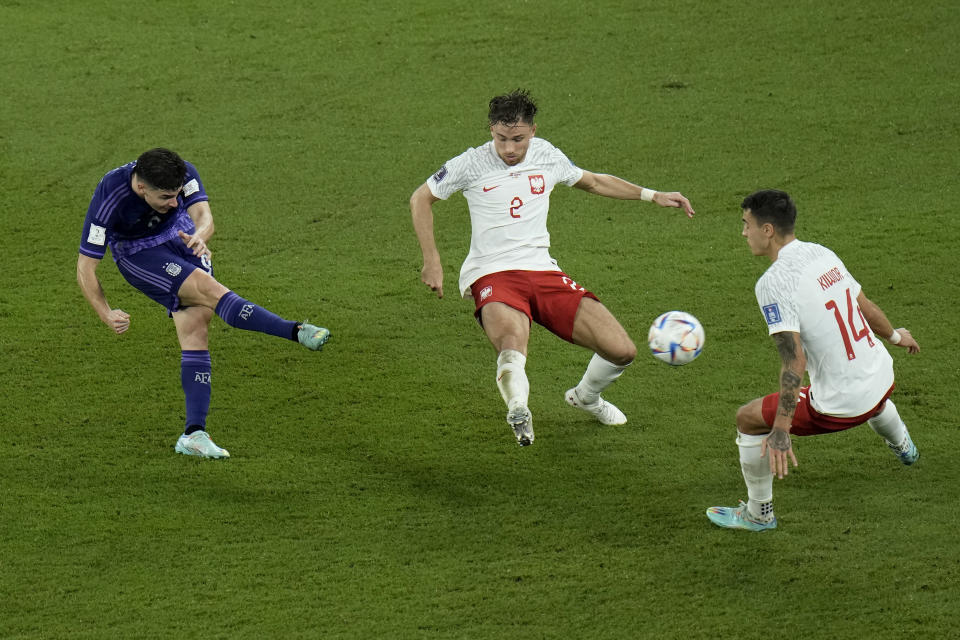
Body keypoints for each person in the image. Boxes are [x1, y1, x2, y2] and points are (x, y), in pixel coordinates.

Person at [409, 89, 695, 446]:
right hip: (493, 273)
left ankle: (586, 397)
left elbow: (591, 180)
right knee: (512, 343)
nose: (510, 149)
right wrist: (432, 260)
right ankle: (518, 409)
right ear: (491, 132)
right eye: (501, 139)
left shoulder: (546, 155)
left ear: (533, 131)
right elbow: (421, 197)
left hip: (544, 272)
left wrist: (652, 195)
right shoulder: (471, 163)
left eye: (518, 139)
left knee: (622, 350)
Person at [77, 148, 331, 459]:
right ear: (142, 187)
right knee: (210, 291)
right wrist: (105, 312)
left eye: (177, 194)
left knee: (198, 324)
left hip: (183, 236)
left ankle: (193, 434)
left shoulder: (183, 173)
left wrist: (201, 235)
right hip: (139, 253)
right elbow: (85, 265)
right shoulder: (109, 198)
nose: (174, 201)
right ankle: (295, 330)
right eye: (167, 197)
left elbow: (204, 216)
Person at [707, 189, 920, 531]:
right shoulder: (822, 253)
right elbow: (864, 304)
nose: (743, 233)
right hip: (882, 376)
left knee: (747, 419)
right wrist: (896, 336)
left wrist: (781, 428)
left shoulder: (773, 283)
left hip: (842, 404)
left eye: (746, 224)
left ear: (768, 230)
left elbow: (794, 362)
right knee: (875, 400)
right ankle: (903, 445)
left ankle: (758, 513)